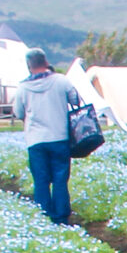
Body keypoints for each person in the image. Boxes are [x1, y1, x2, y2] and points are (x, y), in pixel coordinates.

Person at [12, 48, 83, 224]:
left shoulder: (23, 87)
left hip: (35, 141)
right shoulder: (61, 81)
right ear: (45, 61)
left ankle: (43, 218)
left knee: (41, 180)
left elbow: (18, 113)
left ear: (29, 65)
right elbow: (76, 101)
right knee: (60, 179)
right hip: (59, 137)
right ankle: (61, 218)